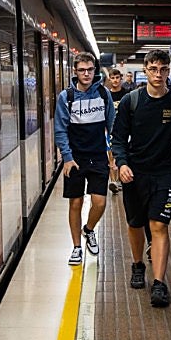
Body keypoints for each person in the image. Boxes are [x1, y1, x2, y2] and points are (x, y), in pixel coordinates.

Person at [112, 49, 171, 307]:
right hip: (135, 174)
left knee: (159, 225)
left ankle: (159, 283)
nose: (158, 74)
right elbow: (117, 139)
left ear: (168, 71)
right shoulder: (131, 101)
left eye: (163, 69)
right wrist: (122, 164)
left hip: (165, 175)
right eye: (153, 69)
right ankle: (138, 265)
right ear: (146, 70)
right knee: (136, 224)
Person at [53, 52, 116, 266]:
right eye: (82, 70)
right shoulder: (66, 97)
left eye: (90, 69)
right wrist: (67, 158)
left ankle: (88, 230)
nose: (86, 73)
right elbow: (60, 131)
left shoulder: (103, 94)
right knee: (76, 203)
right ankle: (77, 247)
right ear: (75, 72)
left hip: (98, 157)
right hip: (76, 158)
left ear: (95, 70)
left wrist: (114, 154)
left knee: (100, 202)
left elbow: (112, 125)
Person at [104, 68, 126, 194]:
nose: (115, 80)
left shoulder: (127, 94)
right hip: (110, 130)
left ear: (120, 78)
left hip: (124, 130)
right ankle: (113, 182)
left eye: (117, 77)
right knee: (111, 156)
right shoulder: (107, 95)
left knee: (122, 155)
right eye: (113, 78)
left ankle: (121, 179)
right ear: (110, 79)